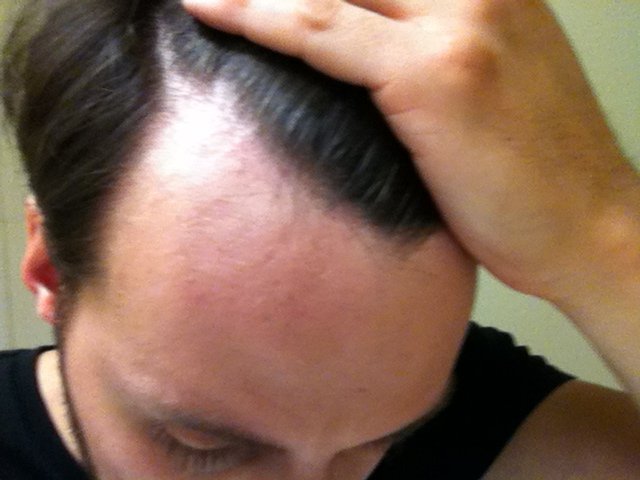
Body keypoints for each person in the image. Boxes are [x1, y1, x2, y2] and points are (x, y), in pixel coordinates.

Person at [1, 0, 639, 479]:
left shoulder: (487, 428)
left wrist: (605, 235)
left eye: (382, 442)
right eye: (204, 446)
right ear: (50, 270)